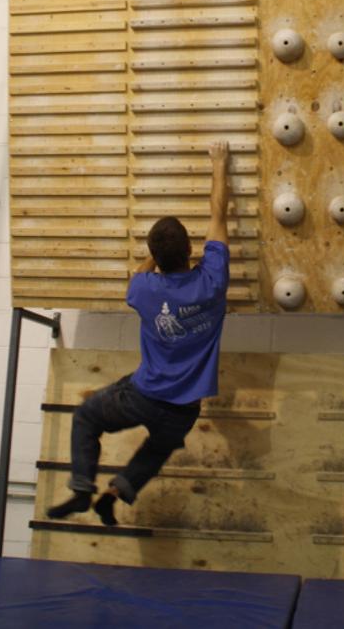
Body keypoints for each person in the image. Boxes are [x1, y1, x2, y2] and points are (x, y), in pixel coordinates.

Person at [47, 141, 230, 526]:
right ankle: (118, 492)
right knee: (156, 450)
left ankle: (84, 489)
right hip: (185, 409)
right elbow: (218, 211)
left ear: (154, 258)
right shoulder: (213, 282)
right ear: (191, 250)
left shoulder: (144, 290)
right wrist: (218, 164)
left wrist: (154, 255)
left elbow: (140, 274)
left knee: (86, 417)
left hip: (145, 395)